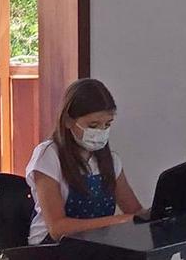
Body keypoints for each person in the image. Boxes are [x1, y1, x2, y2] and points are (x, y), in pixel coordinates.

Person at [25, 78, 143, 245]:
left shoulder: (112, 161)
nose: (101, 132)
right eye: (93, 125)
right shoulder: (48, 156)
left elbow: (135, 212)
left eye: (107, 124)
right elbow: (58, 228)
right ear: (68, 121)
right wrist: (119, 221)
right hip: (50, 250)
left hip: (95, 246)